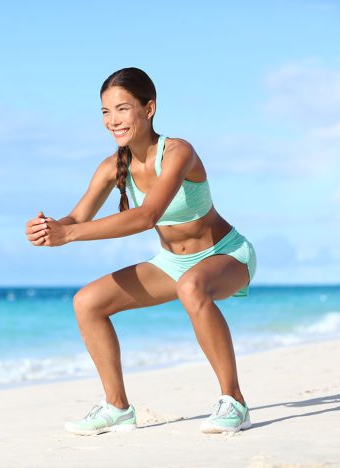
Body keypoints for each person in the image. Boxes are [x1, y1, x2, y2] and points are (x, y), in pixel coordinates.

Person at [24, 67, 257, 436]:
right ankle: (117, 407)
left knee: (192, 288)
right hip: (172, 263)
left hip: (226, 254)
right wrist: (48, 228)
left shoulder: (179, 152)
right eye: (105, 112)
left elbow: (148, 216)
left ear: (149, 108)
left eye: (122, 109)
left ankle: (234, 402)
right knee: (87, 302)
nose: (112, 120)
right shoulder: (111, 166)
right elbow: (76, 218)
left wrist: (69, 235)